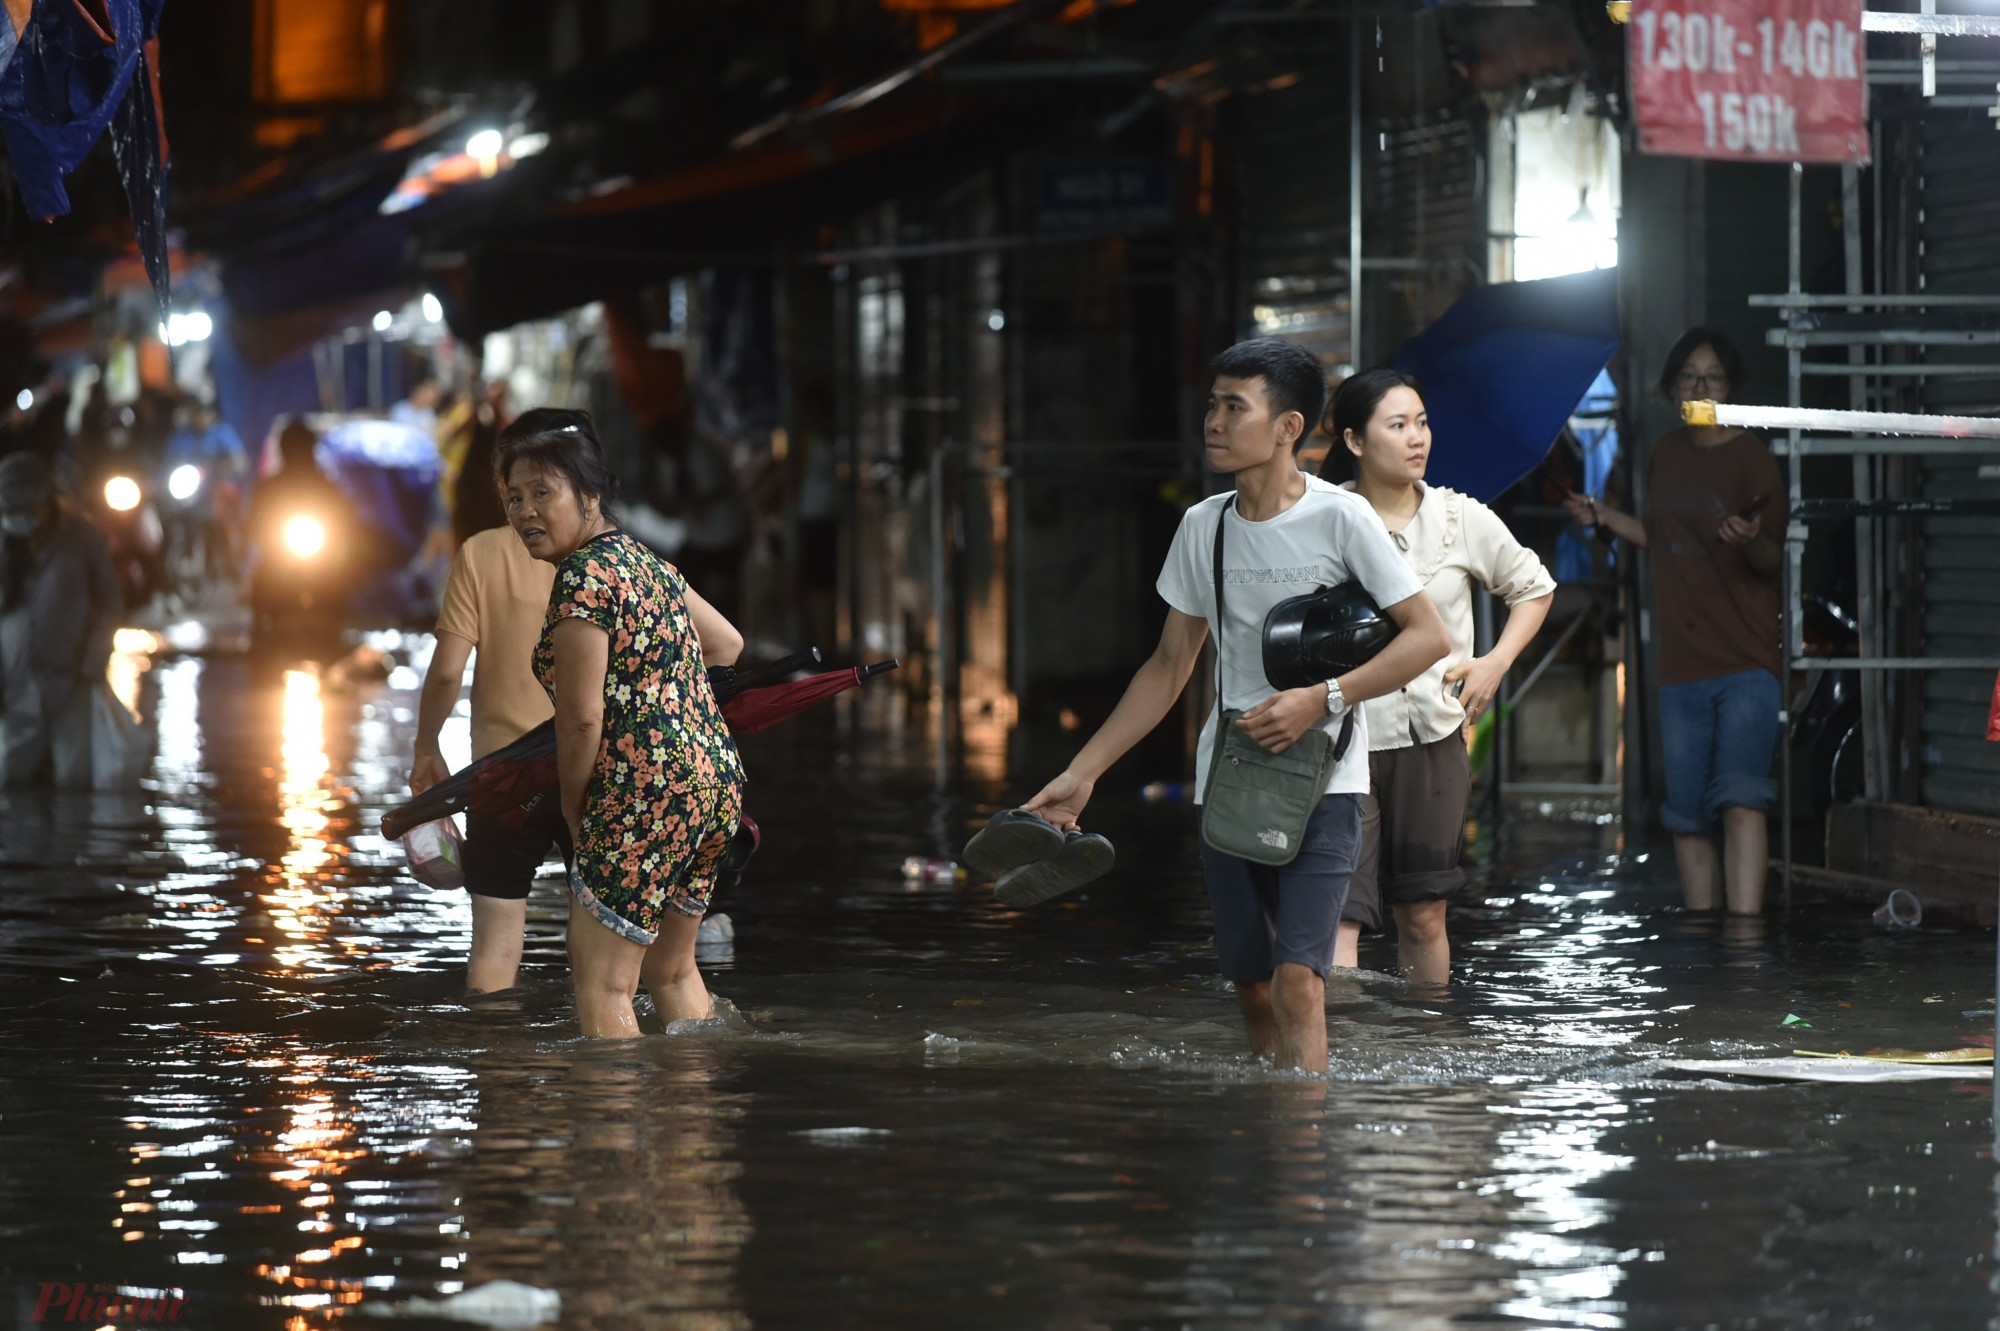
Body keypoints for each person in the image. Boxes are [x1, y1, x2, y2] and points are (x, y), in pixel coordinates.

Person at [1021, 339, 1450, 1072]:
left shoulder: (1342, 518)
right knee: (1252, 985)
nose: (1213, 421)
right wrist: (1084, 772)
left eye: (1233, 406)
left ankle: (1303, 1162)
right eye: (1213, 404)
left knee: (1299, 983)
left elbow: (1427, 635)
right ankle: (1270, 1118)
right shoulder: (1204, 526)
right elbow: (1168, 667)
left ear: (1287, 427)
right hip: (1230, 780)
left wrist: (1323, 697)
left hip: (1327, 782)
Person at [499, 409, 747, 1038]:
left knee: (602, 982)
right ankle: (691, 1128)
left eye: (542, 493)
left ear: (589, 494)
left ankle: (611, 1129)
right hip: (713, 783)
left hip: (642, 794)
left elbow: (582, 720)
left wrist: (576, 805)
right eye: (514, 498)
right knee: (671, 972)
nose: (526, 512)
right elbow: (727, 643)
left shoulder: (583, 578)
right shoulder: (648, 564)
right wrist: (666, 700)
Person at [1323, 370, 1555, 982]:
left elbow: (1534, 588)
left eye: (1421, 422)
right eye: (1397, 425)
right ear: (1353, 441)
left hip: (1433, 741)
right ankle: (1338, 1062)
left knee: (1423, 914)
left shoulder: (1460, 516)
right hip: (1343, 742)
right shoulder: (1326, 519)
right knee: (1337, 916)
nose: (1416, 437)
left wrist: (1494, 663)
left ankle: (1423, 1056)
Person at [1564, 328, 1783, 915]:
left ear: (1731, 387)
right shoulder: (1665, 453)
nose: (1700, 386)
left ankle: (1743, 941)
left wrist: (1752, 538)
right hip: (1680, 664)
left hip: (1747, 661)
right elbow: (1658, 538)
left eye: (1712, 376)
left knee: (1742, 803)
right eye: (1689, 376)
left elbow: (1771, 561)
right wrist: (1605, 516)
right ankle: (1704, 937)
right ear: (1671, 387)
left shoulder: (1754, 458)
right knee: (1686, 816)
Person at [411, 410, 568, 994]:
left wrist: (427, 748)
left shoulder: (480, 554)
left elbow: (448, 672)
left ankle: (497, 1077)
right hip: (593, 771)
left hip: (505, 777)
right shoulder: (619, 559)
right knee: (603, 951)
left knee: (495, 948)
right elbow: (716, 645)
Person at [0, 452, 120, 788]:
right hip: (14, 684)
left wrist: (92, 665)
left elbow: (110, 604)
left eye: (23, 509)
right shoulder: (5, 540)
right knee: (11, 778)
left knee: (74, 780)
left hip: (72, 682)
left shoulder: (85, 539)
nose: (15, 518)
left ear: (46, 501)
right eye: (8, 511)